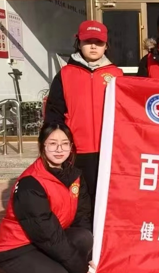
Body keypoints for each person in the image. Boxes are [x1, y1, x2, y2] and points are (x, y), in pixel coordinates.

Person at [0, 123, 96, 273]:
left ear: (71, 147)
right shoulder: (30, 183)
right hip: (17, 248)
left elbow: (82, 216)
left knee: (84, 237)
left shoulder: (74, 175)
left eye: (64, 143)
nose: (59, 149)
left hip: (48, 240)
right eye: (53, 143)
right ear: (42, 146)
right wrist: (78, 267)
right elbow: (45, 232)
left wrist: (86, 258)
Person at [45, 20, 123, 212]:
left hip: (108, 149)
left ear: (106, 45)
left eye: (99, 42)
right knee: (78, 199)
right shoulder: (65, 74)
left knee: (106, 200)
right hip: (76, 150)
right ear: (78, 43)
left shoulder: (117, 74)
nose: (93, 46)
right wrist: (57, 143)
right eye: (88, 41)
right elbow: (54, 112)